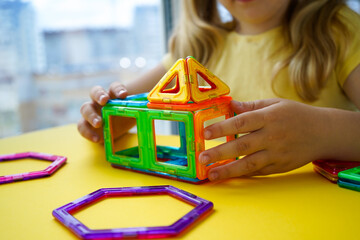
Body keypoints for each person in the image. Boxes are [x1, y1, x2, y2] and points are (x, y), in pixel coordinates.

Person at [78, 0, 360, 181]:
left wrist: (321, 132)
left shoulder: (339, 30)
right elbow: (126, 108)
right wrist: (103, 118)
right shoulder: (198, 48)